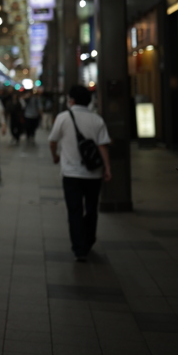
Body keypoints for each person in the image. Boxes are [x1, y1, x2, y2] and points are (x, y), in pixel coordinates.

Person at [48, 85, 112, 262]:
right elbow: (103, 145)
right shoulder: (96, 119)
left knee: (74, 210)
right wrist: (107, 168)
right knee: (91, 209)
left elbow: (52, 141)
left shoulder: (63, 117)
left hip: (71, 174)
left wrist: (55, 156)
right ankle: (89, 240)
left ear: (72, 100)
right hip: (94, 174)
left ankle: (79, 248)